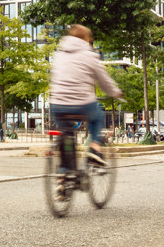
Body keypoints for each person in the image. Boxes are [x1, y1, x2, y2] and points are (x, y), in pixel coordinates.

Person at [49, 24, 124, 166]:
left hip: (57, 104)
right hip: (82, 103)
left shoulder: (58, 55)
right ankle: (94, 149)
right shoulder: (89, 55)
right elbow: (104, 81)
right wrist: (116, 92)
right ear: (86, 39)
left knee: (66, 136)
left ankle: (63, 175)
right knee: (98, 116)